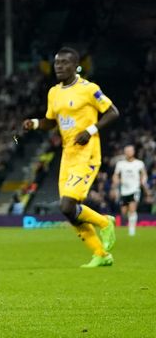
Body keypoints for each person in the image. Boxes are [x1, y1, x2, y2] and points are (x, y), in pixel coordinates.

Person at [23, 47, 119, 267]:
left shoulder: (89, 89)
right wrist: (35, 124)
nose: (59, 66)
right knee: (70, 212)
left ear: (76, 66)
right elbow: (51, 121)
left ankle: (105, 222)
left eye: (64, 63)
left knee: (67, 206)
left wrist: (91, 131)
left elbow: (113, 112)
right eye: (57, 63)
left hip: (88, 153)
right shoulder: (54, 92)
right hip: (68, 154)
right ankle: (101, 255)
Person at [111, 145, 149, 236]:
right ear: (125, 152)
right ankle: (129, 223)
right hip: (124, 190)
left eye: (130, 151)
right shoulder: (120, 164)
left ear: (133, 152)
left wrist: (143, 181)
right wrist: (115, 182)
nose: (128, 152)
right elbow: (115, 175)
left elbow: (144, 174)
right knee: (123, 213)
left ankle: (132, 231)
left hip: (135, 189)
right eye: (127, 151)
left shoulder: (139, 163)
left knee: (132, 208)